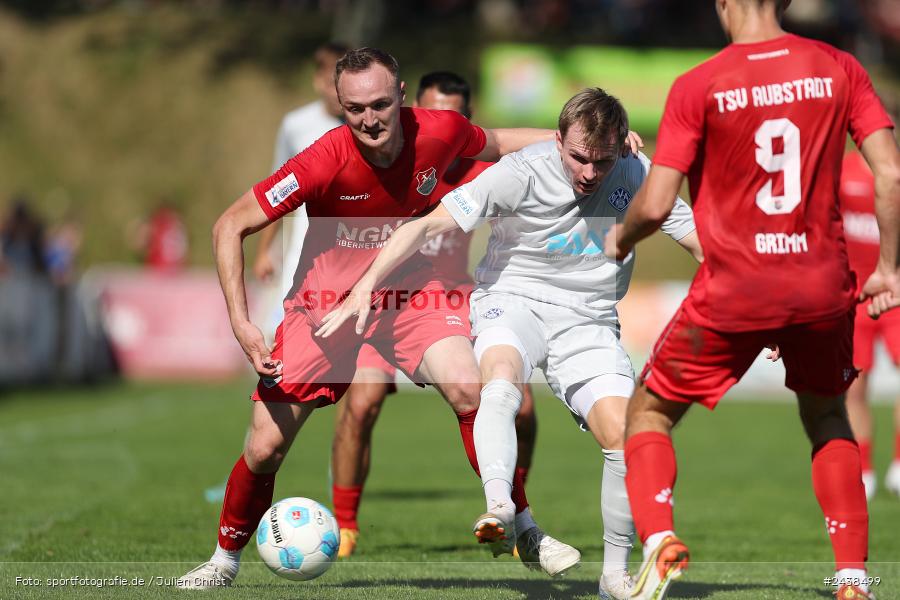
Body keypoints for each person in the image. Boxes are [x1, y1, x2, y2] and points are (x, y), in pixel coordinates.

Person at [176, 47, 563, 589]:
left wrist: (576, 142)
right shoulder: (320, 161)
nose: (370, 120)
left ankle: (524, 527)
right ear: (340, 105)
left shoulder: (439, 130)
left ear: (402, 96)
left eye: (380, 105)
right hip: (327, 308)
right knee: (264, 447)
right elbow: (229, 225)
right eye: (355, 109)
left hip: (409, 294)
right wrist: (241, 322)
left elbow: (498, 142)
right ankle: (223, 561)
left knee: (469, 388)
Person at [317, 88, 700, 598]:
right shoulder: (521, 171)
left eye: (602, 161)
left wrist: (753, 314)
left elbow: (699, 241)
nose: (589, 172)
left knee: (624, 437)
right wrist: (366, 283)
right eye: (578, 157)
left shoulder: (635, 172)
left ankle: (615, 575)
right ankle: (500, 507)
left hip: (588, 319)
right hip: (513, 299)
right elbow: (427, 225)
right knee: (500, 379)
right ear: (557, 140)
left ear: (619, 149)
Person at [602, 1, 900, 598]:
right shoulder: (839, 67)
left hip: (735, 286)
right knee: (828, 416)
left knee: (649, 414)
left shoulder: (700, 83)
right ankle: (852, 578)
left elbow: (656, 205)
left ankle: (660, 539)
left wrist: (620, 238)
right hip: (821, 287)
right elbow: (891, 175)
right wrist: (889, 268)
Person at [329, 70, 540, 558]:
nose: (439, 125)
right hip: (382, 297)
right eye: (430, 114)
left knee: (523, 408)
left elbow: (532, 168)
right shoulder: (383, 160)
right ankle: (344, 527)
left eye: (452, 117)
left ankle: (511, 512)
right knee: (362, 403)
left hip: (453, 298)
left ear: (467, 121)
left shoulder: (482, 172)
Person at [203, 41, 350, 506]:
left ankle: (342, 475)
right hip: (300, 273)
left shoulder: (368, 125)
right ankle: (253, 466)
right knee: (273, 375)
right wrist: (266, 250)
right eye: (330, 78)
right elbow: (272, 192)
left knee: (358, 391)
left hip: (356, 274)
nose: (337, 89)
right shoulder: (297, 126)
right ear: (318, 79)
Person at [840, 149, 900, 501]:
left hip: (895, 292)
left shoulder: (895, 173)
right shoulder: (842, 170)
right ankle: (863, 470)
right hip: (855, 296)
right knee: (854, 385)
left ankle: (899, 463)